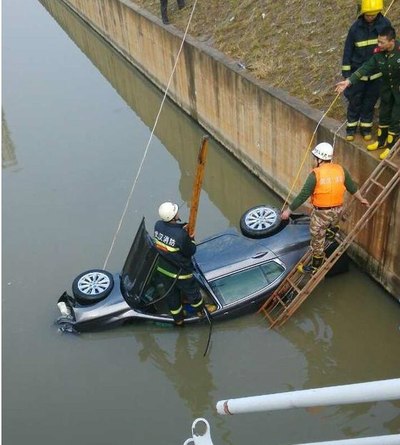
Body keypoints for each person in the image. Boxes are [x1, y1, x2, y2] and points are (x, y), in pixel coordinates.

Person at [281, 143, 369, 273]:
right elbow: (352, 187)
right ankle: (332, 231)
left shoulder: (315, 175)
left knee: (317, 239)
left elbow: (302, 196)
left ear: (320, 159)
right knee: (332, 223)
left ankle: (315, 266)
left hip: (322, 214)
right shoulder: (341, 170)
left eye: (314, 157)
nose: (313, 160)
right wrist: (361, 199)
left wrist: (288, 211)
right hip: (338, 211)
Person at [336, 25, 400, 160]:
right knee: (384, 115)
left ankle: (390, 146)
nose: (378, 44)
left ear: (392, 41)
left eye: (382, 42)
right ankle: (381, 141)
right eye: (378, 41)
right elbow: (365, 68)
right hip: (387, 91)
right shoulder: (378, 54)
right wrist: (348, 81)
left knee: (396, 119)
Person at [154, 201, 215, 325]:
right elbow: (190, 251)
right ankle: (201, 311)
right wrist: (191, 239)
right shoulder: (181, 236)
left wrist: (182, 229)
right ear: (173, 216)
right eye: (176, 211)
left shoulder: (158, 225)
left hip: (163, 269)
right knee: (193, 293)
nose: (177, 212)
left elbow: (171, 233)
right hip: (180, 273)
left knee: (171, 295)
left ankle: (179, 320)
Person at [341, 0, 391, 142]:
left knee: (369, 103)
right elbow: (348, 52)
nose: (370, 17)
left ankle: (366, 129)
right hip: (358, 75)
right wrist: (346, 74)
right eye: (368, 15)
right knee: (354, 102)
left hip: (376, 75)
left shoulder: (385, 25)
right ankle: (351, 129)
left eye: (373, 15)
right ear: (363, 13)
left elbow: (389, 47)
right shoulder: (355, 29)